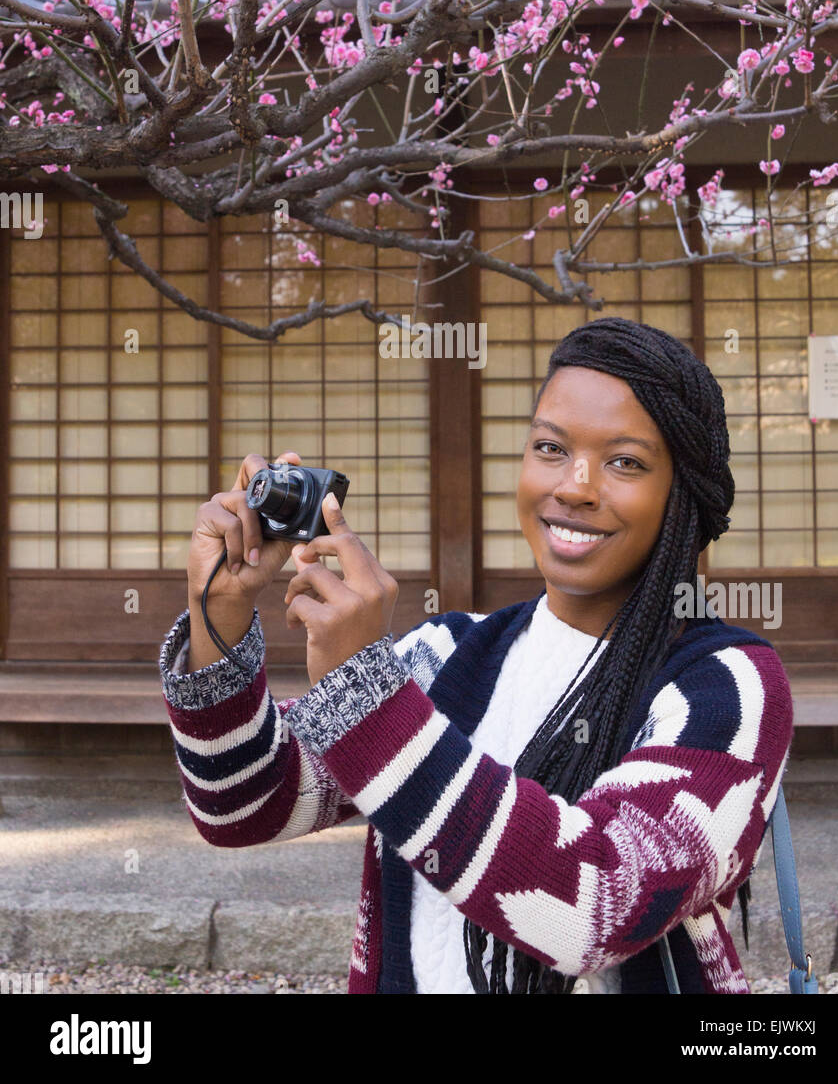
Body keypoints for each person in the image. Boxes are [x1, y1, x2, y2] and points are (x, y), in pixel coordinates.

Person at [158, 316, 793, 994]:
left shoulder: (728, 687)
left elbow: (595, 907)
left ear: (683, 497)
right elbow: (243, 805)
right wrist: (218, 613)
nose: (575, 485)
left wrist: (366, 693)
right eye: (550, 448)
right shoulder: (447, 654)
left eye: (625, 462)